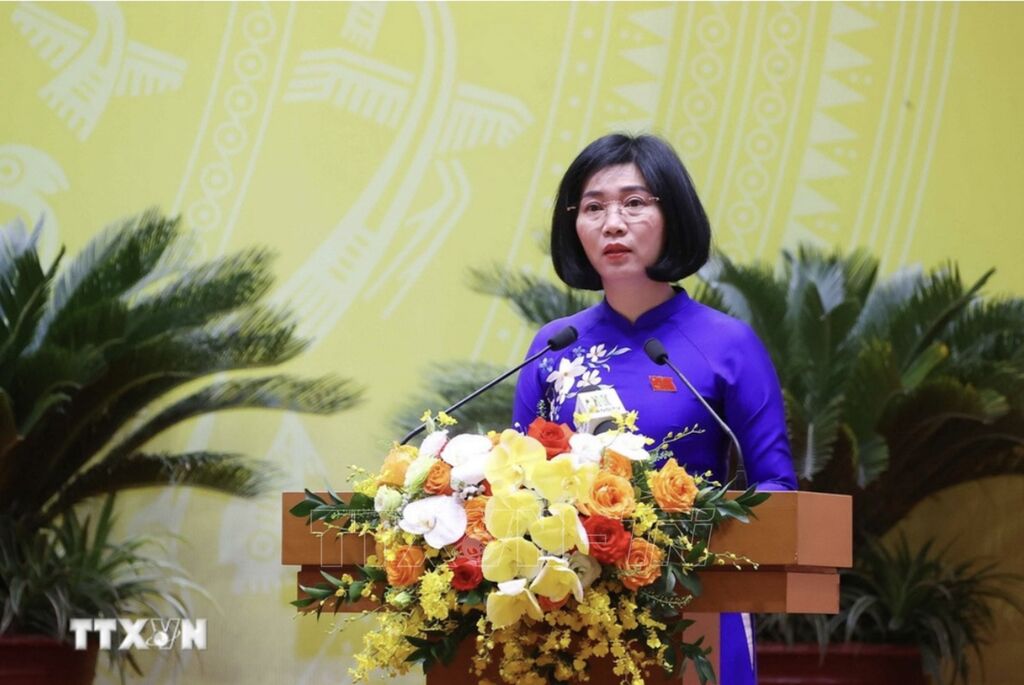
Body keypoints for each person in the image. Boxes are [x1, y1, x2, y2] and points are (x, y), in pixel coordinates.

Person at [511, 133, 797, 684]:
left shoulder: (727, 344)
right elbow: (517, 485)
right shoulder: (555, 346)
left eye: (634, 203)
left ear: (674, 216)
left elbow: (776, 488)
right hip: (573, 620)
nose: (612, 224)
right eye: (593, 207)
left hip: (698, 607)